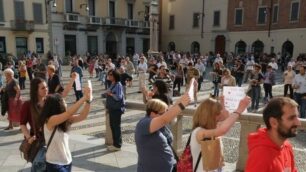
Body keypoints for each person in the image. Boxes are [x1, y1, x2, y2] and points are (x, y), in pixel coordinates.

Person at [191, 96, 250, 172]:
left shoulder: (211, 128)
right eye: (218, 113)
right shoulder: (199, 132)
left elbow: (226, 120)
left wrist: (223, 103)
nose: (220, 115)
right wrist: (239, 109)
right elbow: (223, 130)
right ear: (210, 116)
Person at [40, 87, 92, 171]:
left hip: (67, 161)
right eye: (63, 101)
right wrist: (84, 98)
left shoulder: (65, 120)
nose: (65, 103)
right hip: (54, 164)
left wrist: (88, 101)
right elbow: (69, 113)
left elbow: (83, 116)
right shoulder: (50, 120)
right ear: (57, 106)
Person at [135, 93, 191, 172]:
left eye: (166, 112)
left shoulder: (156, 123)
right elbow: (164, 119)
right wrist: (182, 105)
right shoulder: (144, 124)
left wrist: (189, 90)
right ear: (152, 113)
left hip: (169, 167)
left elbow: (172, 109)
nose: (166, 115)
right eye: (163, 113)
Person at [245, 97, 300, 171]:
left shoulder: (286, 145)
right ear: (273, 122)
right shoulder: (260, 156)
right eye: (291, 118)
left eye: (297, 117)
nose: (298, 123)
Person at [105, 69, 125, 151]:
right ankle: (114, 144)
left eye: (111, 74)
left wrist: (110, 94)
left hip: (116, 109)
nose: (109, 76)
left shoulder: (118, 85)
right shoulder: (112, 83)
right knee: (112, 126)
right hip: (112, 108)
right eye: (108, 74)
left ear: (115, 76)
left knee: (116, 127)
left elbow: (119, 97)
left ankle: (118, 145)